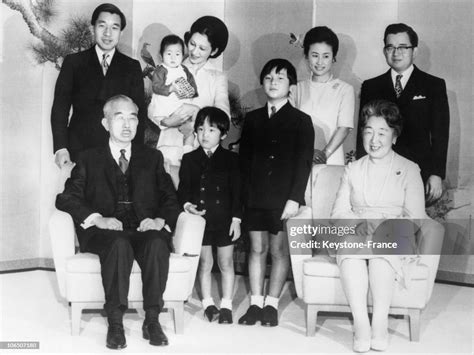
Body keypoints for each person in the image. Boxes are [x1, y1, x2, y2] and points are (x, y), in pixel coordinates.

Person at [56, 95, 180, 350]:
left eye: (132, 118)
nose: (127, 124)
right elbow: (66, 198)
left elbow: (170, 197)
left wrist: (159, 220)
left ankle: (152, 320)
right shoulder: (89, 158)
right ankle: (115, 323)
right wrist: (97, 219)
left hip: (143, 227)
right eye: (119, 117)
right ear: (105, 123)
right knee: (119, 244)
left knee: (158, 243)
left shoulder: (152, 157)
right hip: (105, 233)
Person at [331, 100, 426, 352]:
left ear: (394, 137)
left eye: (382, 133)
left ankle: (380, 322)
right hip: (358, 230)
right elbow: (338, 212)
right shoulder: (353, 170)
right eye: (368, 131)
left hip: (395, 232)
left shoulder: (409, 169)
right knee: (351, 254)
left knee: (381, 254)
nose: (374, 139)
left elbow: (416, 216)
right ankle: (362, 324)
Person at [238, 59, 314, 327]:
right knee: (256, 249)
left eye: (280, 78)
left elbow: (304, 164)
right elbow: (244, 160)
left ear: (291, 86)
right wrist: (243, 197)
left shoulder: (301, 121)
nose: (273, 82)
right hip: (255, 196)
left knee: (279, 250)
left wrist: (294, 199)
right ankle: (256, 303)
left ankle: (271, 304)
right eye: (268, 77)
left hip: (283, 198)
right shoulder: (253, 119)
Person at [356, 23, 450, 204]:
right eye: (390, 47)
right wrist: (362, 169)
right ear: (384, 51)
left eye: (403, 47)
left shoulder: (433, 85)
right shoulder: (371, 86)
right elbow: (364, 132)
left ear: (414, 51)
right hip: (378, 169)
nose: (396, 53)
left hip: (419, 171)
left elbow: (440, 133)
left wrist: (436, 173)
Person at [51, 3, 146, 169]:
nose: (108, 33)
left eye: (114, 27)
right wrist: (61, 147)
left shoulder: (131, 66)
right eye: (102, 26)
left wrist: (136, 152)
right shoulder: (74, 62)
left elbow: (140, 113)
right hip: (80, 150)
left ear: (120, 32)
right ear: (92, 28)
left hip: (118, 151)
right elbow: (60, 107)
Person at [178, 107, 241, 324]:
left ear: (223, 134)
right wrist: (187, 206)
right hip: (200, 221)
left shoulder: (232, 160)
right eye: (201, 129)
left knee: (226, 263)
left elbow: (238, 194)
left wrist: (236, 219)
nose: (205, 134)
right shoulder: (189, 159)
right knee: (205, 263)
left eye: (211, 130)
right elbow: (183, 189)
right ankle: (207, 302)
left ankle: (226, 304)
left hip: (224, 220)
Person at [162, 16, 230, 157]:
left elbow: (223, 116)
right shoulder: (171, 67)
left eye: (202, 48)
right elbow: (154, 107)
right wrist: (166, 121)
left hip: (201, 148)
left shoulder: (217, 77)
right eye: (192, 44)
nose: (194, 51)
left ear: (214, 51)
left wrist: (197, 117)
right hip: (169, 142)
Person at [292, 26, 354, 165]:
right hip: (300, 160)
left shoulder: (345, 90)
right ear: (307, 56)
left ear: (333, 58)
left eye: (326, 56)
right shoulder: (296, 88)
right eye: (315, 55)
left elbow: (344, 128)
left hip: (331, 160)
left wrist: (324, 154)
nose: (320, 62)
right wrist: (308, 152)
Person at [148, 34, 198, 166]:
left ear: (183, 55)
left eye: (177, 54)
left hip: (182, 107)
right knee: (168, 140)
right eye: (169, 53)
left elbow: (192, 84)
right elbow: (156, 87)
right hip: (165, 107)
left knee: (187, 132)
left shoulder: (184, 69)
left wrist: (191, 91)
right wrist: (171, 88)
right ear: (161, 55)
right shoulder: (161, 70)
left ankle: (188, 153)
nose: (173, 58)